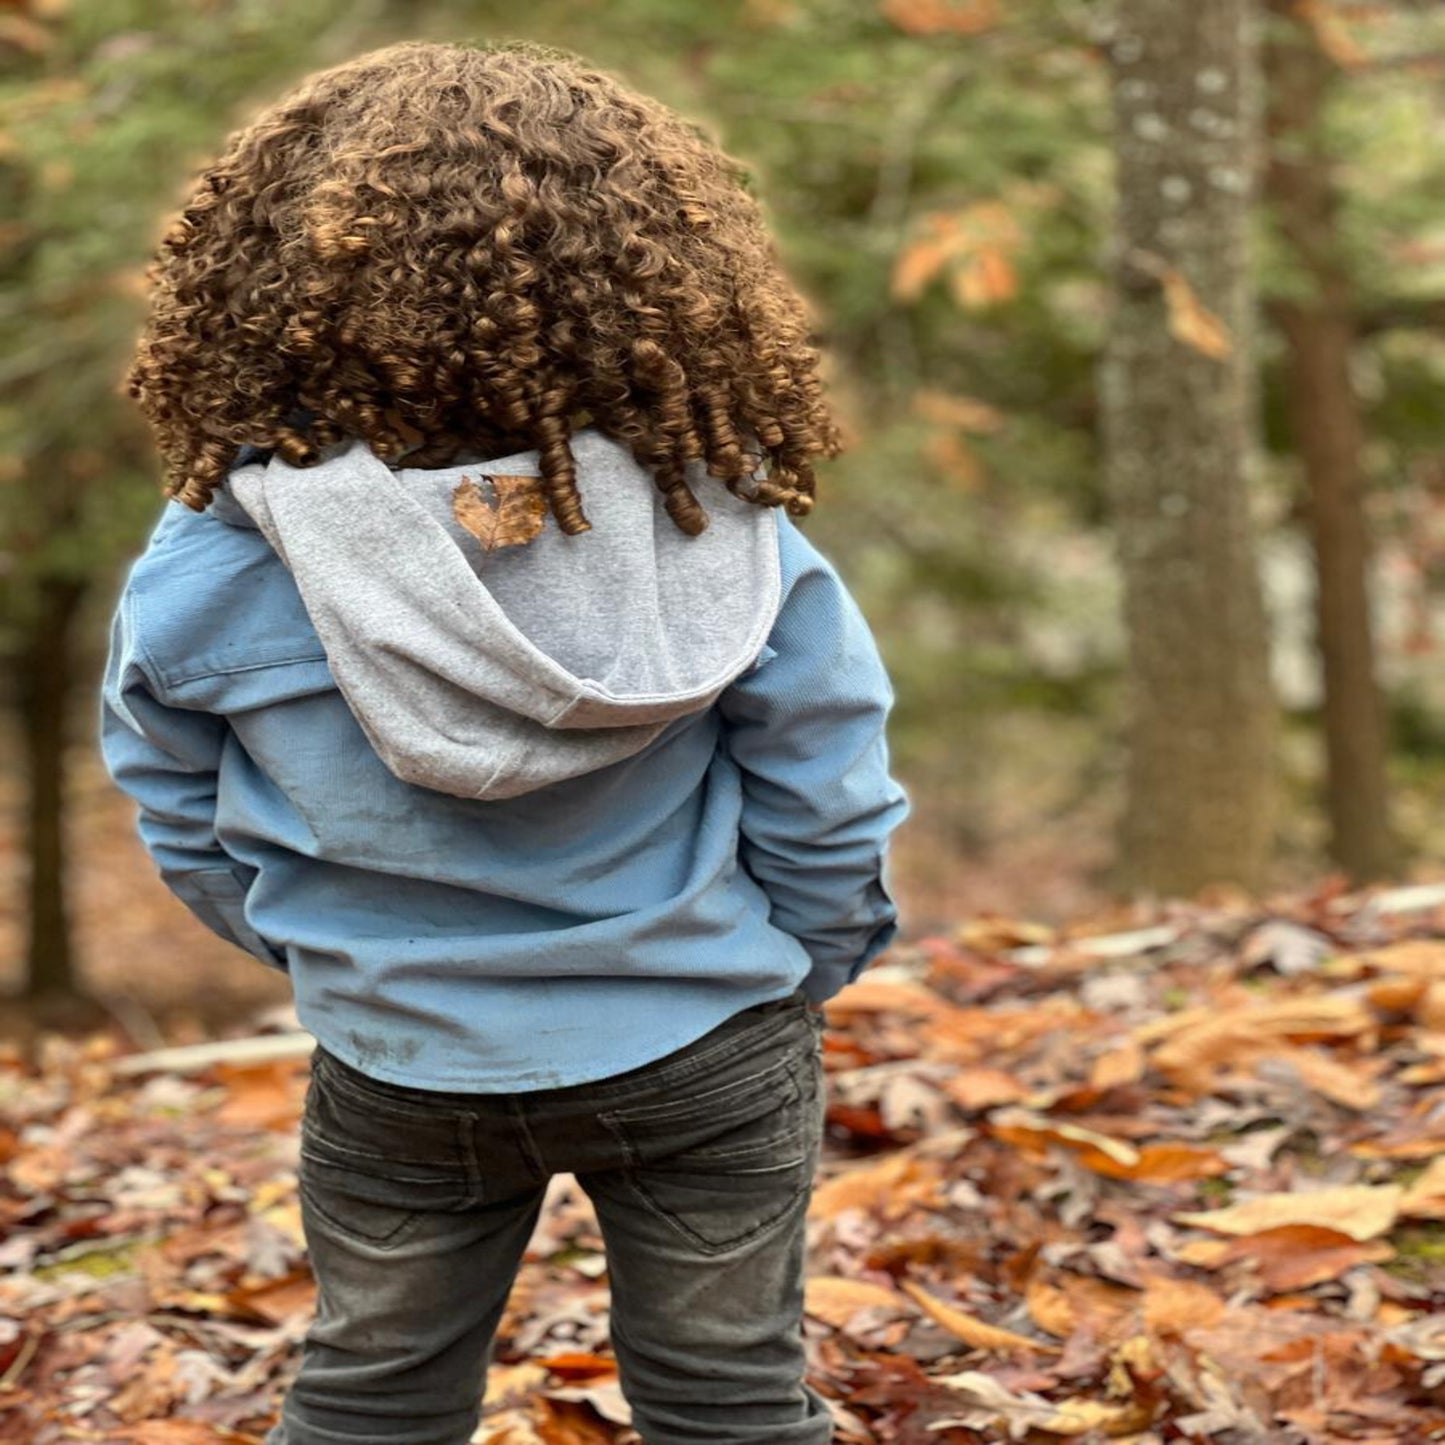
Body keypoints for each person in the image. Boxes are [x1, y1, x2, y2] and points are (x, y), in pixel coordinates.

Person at [102, 38, 908, 1445]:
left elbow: (175, 798)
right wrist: (808, 954)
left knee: (369, 1400)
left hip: (399, 1055)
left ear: (263, 284)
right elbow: (826, 778)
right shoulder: (706, 524)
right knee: (730, 1406)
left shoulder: (220, 556)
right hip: (703, 1033)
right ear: (656, 281)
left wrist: (323, 948)